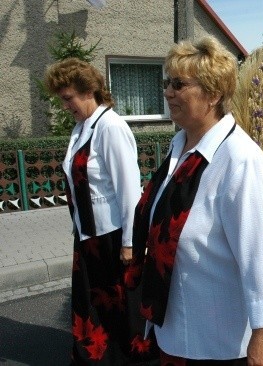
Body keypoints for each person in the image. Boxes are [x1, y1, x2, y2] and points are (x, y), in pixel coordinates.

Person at [129, 36, 263, 364]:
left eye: (179, 84)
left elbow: (260, 251)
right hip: (174, 328)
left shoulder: (240, 159)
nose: (168, 92)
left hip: (216, 340)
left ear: (214, 93)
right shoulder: (179, 146)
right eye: (167, 82)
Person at [44, 58, 158, 364]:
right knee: (94, 303)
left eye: (68, 98)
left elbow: (129, 190)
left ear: (88, 90)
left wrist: (130, 243)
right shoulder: (82, 127)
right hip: (88, 233)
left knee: (119, 304)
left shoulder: (111, 127)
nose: (65, 105)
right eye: (62, 99)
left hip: (113, 234)